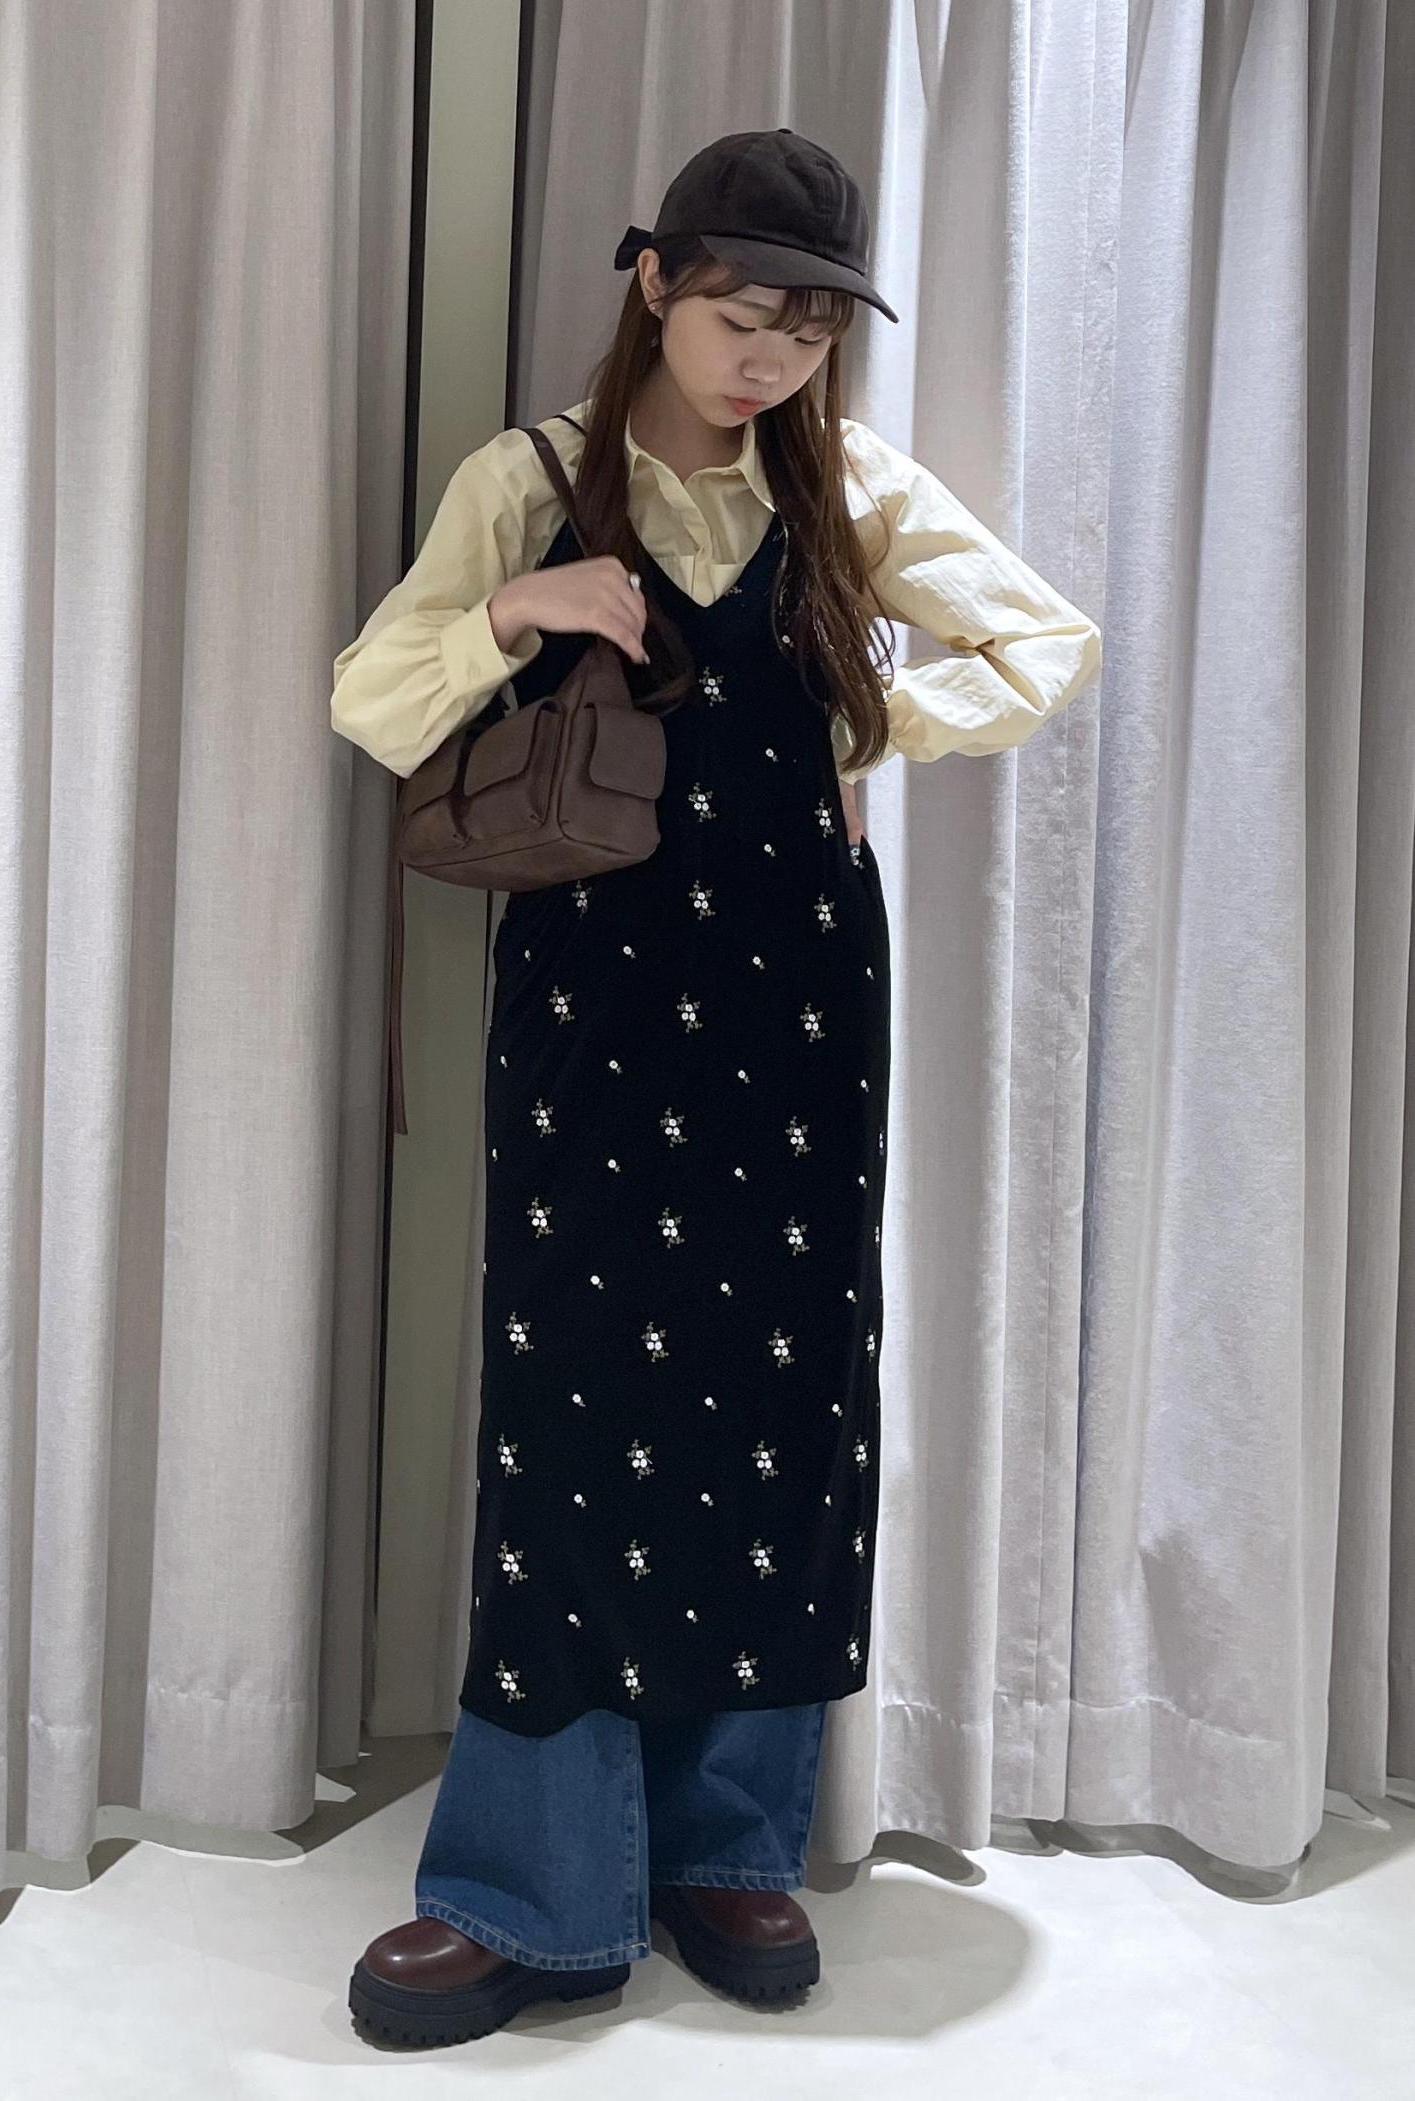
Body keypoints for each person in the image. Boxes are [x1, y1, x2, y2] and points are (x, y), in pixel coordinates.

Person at [332, 127, 1101, 2051]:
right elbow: (373, 697)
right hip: (592, 1009)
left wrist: (877, 718)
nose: (771, 360)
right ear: (656, 281)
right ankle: (533, 1891)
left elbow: (1048, 637)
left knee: (779, 1404)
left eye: (811, 331)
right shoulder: (528, 481)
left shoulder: (848, 488)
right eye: (742, 313)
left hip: (800, 1010)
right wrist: (523, 613)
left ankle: (730, 1844)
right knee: (572, 1422)